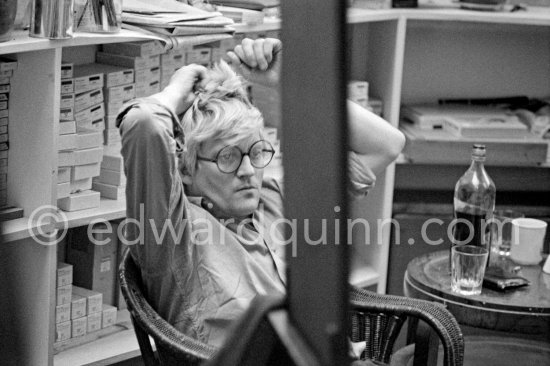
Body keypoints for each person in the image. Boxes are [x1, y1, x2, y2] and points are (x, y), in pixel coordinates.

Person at [117, 37, 405, 348]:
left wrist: (290, 80)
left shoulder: (276, 199)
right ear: (185, 169)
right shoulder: (173, 235)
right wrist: (175, 91)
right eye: (227, 157)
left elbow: (387, 145)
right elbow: (143, 123)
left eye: (256, 152)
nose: (247, 171)